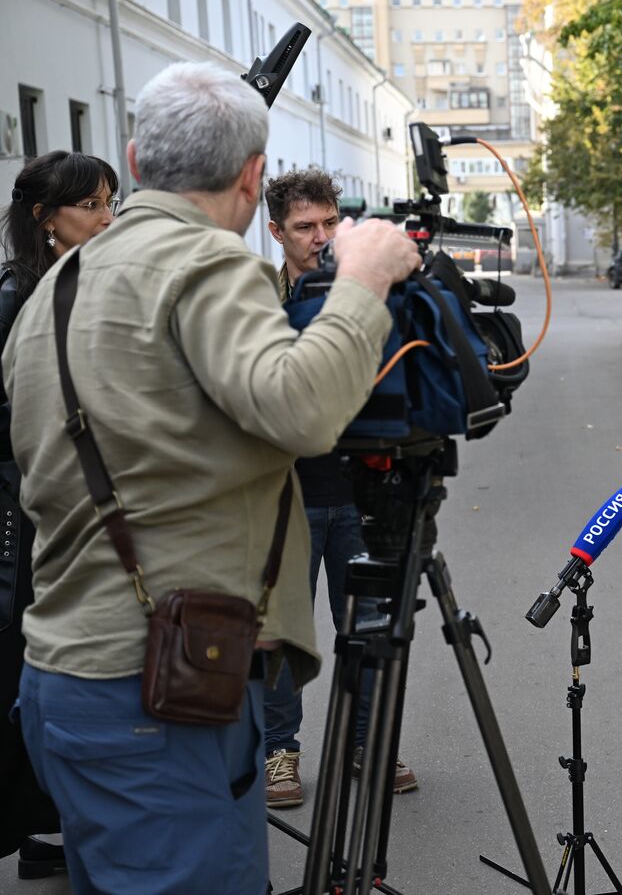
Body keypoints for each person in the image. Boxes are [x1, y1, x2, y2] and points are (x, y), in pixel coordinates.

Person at [4, 62, 420, 893]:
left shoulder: (57, 287)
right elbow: (301, 410)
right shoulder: (206, 264)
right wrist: (365, 282)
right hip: (162, 691)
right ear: (252, 176)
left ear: (135, 155)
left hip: (65, 678)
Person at [261, 168, 418, 807]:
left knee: (368, 626)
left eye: (329, 223)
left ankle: (365, 743)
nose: (321, 238)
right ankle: (279, 752)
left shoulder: (365, 289)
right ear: (276, 232)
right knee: (281, 636)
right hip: (286, 496)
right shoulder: (258, 304)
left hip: (360, 494)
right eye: (305, 227)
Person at [0, 150, 119, 882]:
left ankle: (60, 823)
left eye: (112, 201)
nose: (109, 218)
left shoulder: (85, 279)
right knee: (32, 669)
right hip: (27, 517)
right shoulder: (17, 292)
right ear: (47, 220)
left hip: (70, 505)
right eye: (93, 206)